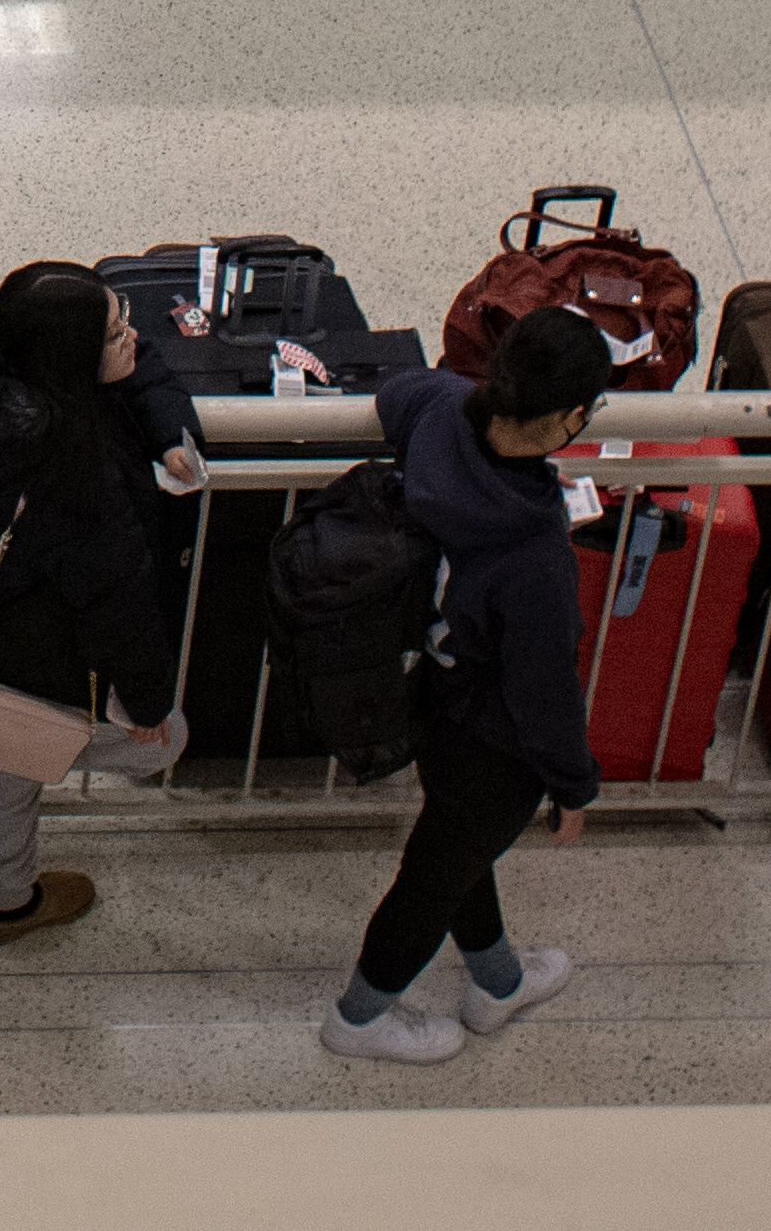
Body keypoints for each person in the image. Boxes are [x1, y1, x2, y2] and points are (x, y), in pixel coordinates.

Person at [319, 305, 611, 1068]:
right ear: (568, 419)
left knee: (455, 851)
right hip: (500, 746)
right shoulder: (539, 557)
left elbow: (392, 398)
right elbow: (546, 693)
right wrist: (574, 786)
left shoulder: (439, 409)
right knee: (432, 876)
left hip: (433, 701)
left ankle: (498, 982)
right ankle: (358, 1019)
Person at [0, 264, 196, 948]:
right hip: (41, 654)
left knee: (6, 750)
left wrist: (170, 428)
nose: (133, 340)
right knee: (159, 744)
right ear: (71, 359)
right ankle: (8, 903)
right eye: (115, 334)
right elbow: (120, 603)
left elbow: (140, 362)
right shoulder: (74, 478)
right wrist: (146, 705)